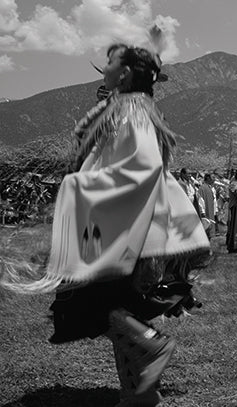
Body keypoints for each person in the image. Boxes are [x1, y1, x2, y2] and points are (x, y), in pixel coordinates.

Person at [3, 32, 212, 406]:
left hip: (129, 225)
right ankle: (138, 393)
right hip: (131, 222)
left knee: (101, 303)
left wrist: (81, 187)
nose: (105, 66)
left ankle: (150, 347)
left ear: (126, 74)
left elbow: (142, 166)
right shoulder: (132, 108)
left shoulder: (131, 111)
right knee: (115, 305)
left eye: (112, 61)